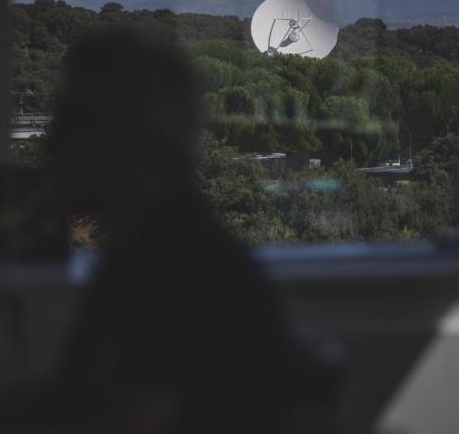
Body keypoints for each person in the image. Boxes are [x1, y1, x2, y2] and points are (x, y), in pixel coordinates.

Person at [48, 26, 330, 434]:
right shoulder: (147, 253)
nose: (53, 143)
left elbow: (130, 415)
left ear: (135, 138)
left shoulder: (179, 270)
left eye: (73, 123)